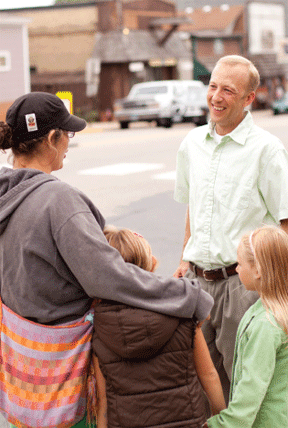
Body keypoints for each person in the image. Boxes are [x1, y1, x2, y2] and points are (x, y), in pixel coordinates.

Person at [0, 92, 214, 428]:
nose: (69, 144)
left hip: (23, 378)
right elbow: (108, 276)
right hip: (66, 380)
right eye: (67, 135)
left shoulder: (6, 196)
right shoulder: (58, 200)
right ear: (52, 140)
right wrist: (185, 295)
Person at [173, 55, 288, 400]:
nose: (216, 97)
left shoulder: (267, 150)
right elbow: (194, 205)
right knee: (201, 385)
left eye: (228, 90)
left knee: (244, 384)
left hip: (244, 287)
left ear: (249, 98)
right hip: (196, 284)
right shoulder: (191, 143)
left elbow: (284, 221)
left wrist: (280, 285)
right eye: (212, 86)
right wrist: (183, 258)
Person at [92, 225, 226, 428]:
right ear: (149, 264)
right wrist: (220, 418)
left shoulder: (101, 329)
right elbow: (209, 376)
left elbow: (104, 402)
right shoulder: (181, 312)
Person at [203, 225, 288, 427]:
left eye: (239, 264)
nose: (237, 269)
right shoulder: (270, 311)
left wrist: (224, 424)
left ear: (258, 270)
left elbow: (252, 386)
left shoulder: (265, 325)